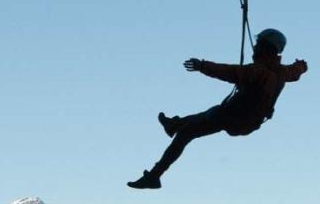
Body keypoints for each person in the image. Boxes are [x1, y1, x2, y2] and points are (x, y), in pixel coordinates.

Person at [128, 28, 307, 189]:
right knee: (191, 129)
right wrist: (301, 66)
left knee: (194, 128)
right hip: (245, 119)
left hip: (235, 117)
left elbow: (229, 72)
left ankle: (170, 136)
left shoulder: (258, 72)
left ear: (265, 48)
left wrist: (202, 66)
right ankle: (167, 144)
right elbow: (295, 71)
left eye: (258, 44)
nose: (255, 47)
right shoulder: (282, 72)